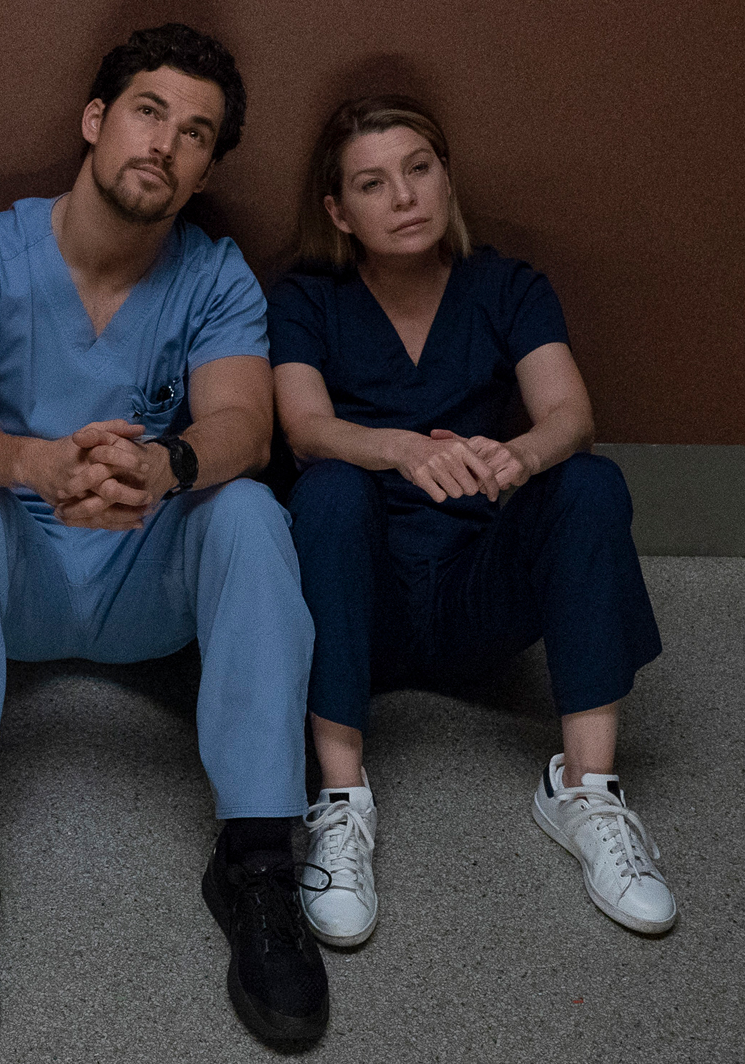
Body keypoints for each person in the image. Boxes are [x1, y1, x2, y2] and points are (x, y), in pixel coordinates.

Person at [0, 23, 326, 1059]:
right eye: (148, 111)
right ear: (95, 121)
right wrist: (33, 464)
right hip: (19, 570)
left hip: (147, 570)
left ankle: (259, 865)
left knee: (255, 511)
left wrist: (169, 466)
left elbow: (244, 426)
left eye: (196, 133)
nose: (166, 143)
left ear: (208, 165)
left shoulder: (216, 278)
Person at [268, 95, 678, 948]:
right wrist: (398, 449)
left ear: (447, 179)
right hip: (358, 606)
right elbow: (305, 430)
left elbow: (570, 411)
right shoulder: (309, 298)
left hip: (476, 589)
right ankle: (341, 802)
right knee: (329, 489)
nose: (404, 196)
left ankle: (585, 791)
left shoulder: (508, 286)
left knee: (589, 483)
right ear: (340, 213)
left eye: (420, 170)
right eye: (373, 185)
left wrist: (520, 456)